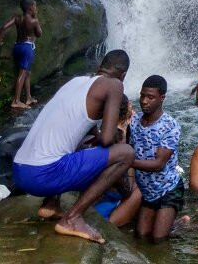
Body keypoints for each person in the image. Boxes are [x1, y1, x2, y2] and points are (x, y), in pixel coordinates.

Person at [12, 49, 135, 244]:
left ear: (100, 66)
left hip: (19, 170)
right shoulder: (114, 85)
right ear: (123, 75)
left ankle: (51, 203)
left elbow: (83, 127)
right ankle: (72, 218)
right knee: (126, 153)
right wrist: (118, 131)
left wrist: (96, 138)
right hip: (42, 175)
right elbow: (106, 139)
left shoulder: (76, 82)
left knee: (73, 141)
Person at [130, 75, 185, 243]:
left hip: (168, 189)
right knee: (141, 236)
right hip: (148, 191)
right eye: (142, 96)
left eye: (150, 97)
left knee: (158, 239)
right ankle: (176, 224)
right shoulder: (134, 121)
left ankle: (182, 226)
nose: (144, 101)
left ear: (162, 98)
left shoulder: (170, 126)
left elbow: (158, 164)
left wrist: (127, 162)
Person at [94, 94, 142, 227]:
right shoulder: (119, 136)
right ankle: (110, 225)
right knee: (141, 189)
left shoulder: (104, 130)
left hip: (98, 196)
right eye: (131, 107)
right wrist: (131, 162)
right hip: (107, 202)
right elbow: (127, 188)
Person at [0, 0, 42, 109]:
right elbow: (39, 34)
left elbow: (3, 27)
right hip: (27, 48)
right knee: (22, 73)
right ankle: (16, 101)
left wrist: (0, 40)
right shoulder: (34, 21)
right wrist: (36, 19)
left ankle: (28, 98)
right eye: (35, 7)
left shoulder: (17, 18)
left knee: (27, 73)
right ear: (30, 9)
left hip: (17, 46)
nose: (36, 8)